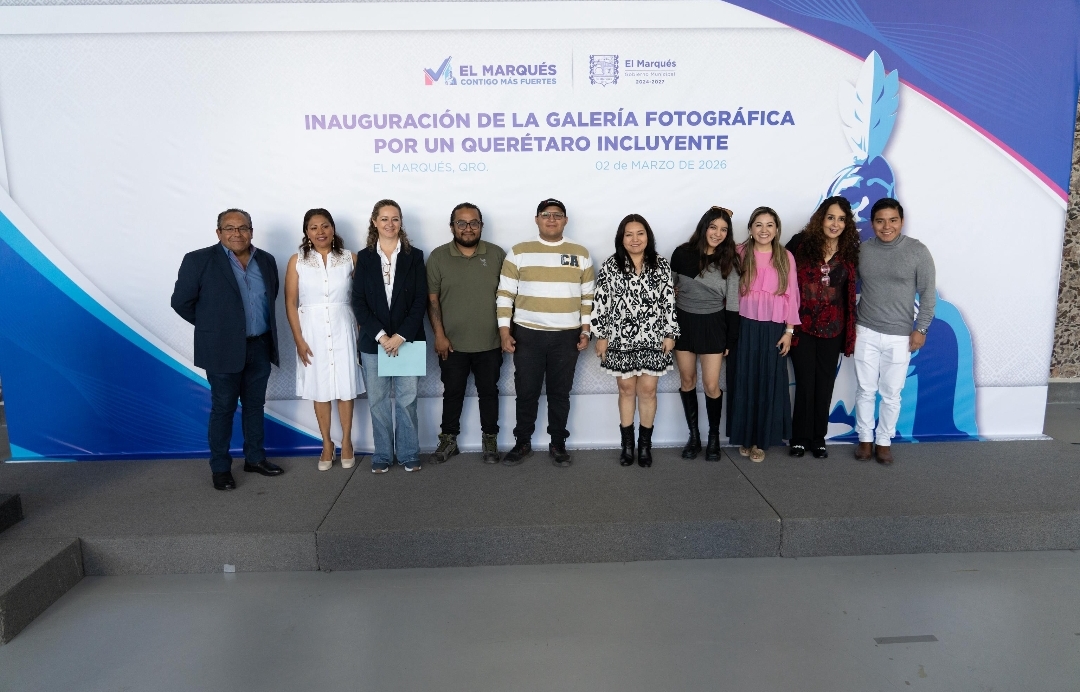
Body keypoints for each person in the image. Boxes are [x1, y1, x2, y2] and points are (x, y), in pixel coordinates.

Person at [171, 209, 285, 490]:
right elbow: (181, 302)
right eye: (230, 228)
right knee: (223, 408)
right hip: (221, 348)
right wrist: (216, 328)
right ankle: (220, 468)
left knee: (255, 406)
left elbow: (270, 297)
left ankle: (255, 458)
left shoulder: (266, 260)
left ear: (251, 231)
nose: (237, 233)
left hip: (259, 345)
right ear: (219, 232)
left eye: (243, 228)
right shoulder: (198, 260)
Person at [496, 198, 595, 467]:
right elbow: (505, 295)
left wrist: (586, 330)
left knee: (560, 393)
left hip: (567, 335)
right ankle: (522, 442)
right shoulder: (519, 252)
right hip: (528, 334)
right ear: (537, 219)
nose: (552, 219)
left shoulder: (581, 253)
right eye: (546, 214)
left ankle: (558, 443)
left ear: (565, 220)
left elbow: (588, 297)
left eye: (557, 215)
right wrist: (504, 331)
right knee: (526, 391)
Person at [593, 214, 679, 467]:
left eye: (640, 233)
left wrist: (670, 333)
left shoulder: (660, 264)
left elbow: (668, 301)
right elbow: (601, 302)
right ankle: (627, 446)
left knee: (648, 390)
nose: (635, 239)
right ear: (621, 238)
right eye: (628, 234)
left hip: (654, 337)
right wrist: (601, 336)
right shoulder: (611, 265)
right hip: (620, 338)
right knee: (626, 389)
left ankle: (644, 446)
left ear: (648, 236)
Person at [854, 198, 935, 465]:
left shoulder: (917, 251)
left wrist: (921, 328)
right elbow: (847, 285)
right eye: (880, 221)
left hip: (900, 335)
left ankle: (884, 441)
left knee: (891, 393)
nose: (886, 226)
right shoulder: (863, 250)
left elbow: (928, 294)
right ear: (872, 223)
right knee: (865, 390)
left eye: (893, 220)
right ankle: (865, 439)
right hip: (865, 330)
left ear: (901, 221)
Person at [426, 203, 507, 464]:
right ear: (452, 227)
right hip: (451, 343)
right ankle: (448, 440)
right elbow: (432, 300)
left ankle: (490, 439)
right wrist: (439, 335)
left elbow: (508, 298)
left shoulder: (496, 255)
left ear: (481, 226)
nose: (468, 228)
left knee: (489, 392)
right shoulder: (438, 257)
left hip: (490, 341)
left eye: (474, 223)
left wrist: (505, 333)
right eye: (461, 223)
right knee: (452, 393)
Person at [351, 199, 428, 473]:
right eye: (384, 218)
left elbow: (420, 300)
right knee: (378, 403)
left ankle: (408, 453)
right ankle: (383, 454)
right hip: (375, 343)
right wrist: (383, 337)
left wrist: (401, 336)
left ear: (401, 222)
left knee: (407, 401)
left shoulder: (414, 256)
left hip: (408, 341)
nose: (390, 223)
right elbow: (358, 302)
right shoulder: (364, 258)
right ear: (374, 222)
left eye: (395, 218)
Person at [284, 208, 363, 471]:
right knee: (320, 387)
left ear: (333, 228)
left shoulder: (350, 258)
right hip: (312, 331)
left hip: (344, 328)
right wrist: (298, 339)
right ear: (306, 232)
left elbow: (362, 298)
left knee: (345, 386)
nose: (320, 232)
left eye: (325, 226)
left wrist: (360, 333)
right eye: (314, 227)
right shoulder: (297, 261)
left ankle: (347, 442)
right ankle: (326, 443)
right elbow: (290, 302)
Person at [785, 197, 859, 459]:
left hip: (833, 329)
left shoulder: (850, 251)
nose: (835, 224)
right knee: (805, 382)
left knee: (825, 384)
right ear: (821, 219)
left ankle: (818, 438)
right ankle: (799, 438)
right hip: (801, 327)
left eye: (841, 219)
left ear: (847, 224)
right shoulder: (800, 244)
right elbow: (778, 272)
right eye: (831, 217)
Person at [728, 207, 800, 463]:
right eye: (758, 224)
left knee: (768, 382)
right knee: (744, 380)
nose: (764, 230)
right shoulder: (740, 252)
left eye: (770, 225)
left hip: (774, 328)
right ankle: (745, 437)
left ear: (777, 229)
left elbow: (792, 295)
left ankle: (761, 440)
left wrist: (789, 331)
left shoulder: (785, 256)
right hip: (744, 325)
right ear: (750, 228)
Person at [670, 206, 741, 461]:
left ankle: (713, 437)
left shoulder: (730, 260)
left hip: (713, 325)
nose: (718, 233)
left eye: (724, 229)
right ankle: (694, 436)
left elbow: (733, 304)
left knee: (711, 385)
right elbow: (668, 292)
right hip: (683, 323)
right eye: (713, 227)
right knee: (687, 381)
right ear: (704, 227)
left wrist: (730, 339)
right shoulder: (681, 254)